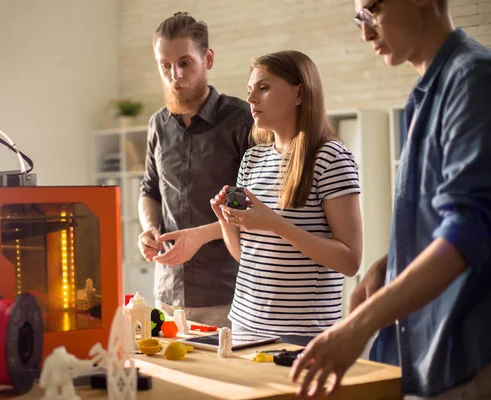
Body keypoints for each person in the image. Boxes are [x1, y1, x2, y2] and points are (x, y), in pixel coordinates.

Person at [290, 1, 491, 399]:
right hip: (424, 355)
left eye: (374, 10)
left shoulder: (472, 79)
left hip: (463, 355)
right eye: (358, 18)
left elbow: (470, 231)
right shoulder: (426, 92)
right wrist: (391, 265)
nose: (365, 32)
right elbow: (434, 223)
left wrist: (359, 325)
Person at [210, 50, 363, 346]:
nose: (252, 99)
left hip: (303, 333)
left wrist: (275, 224)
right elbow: (249, 257)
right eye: (250, 91)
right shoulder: (252, 159)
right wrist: (226, 221)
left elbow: (350, 261)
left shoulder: (331, 158)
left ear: (299, 93)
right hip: (243, 323)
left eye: (263, 88)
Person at [137, 12, 254, 328]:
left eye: (185, 62)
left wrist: (200, 237)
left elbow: (258, 207)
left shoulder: (242, 120)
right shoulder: (157, 124)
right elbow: (149, 190)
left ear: (208, 59)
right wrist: (150, 228)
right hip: (166, 296)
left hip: (227, 297)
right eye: (165, 65)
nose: (174, 74)